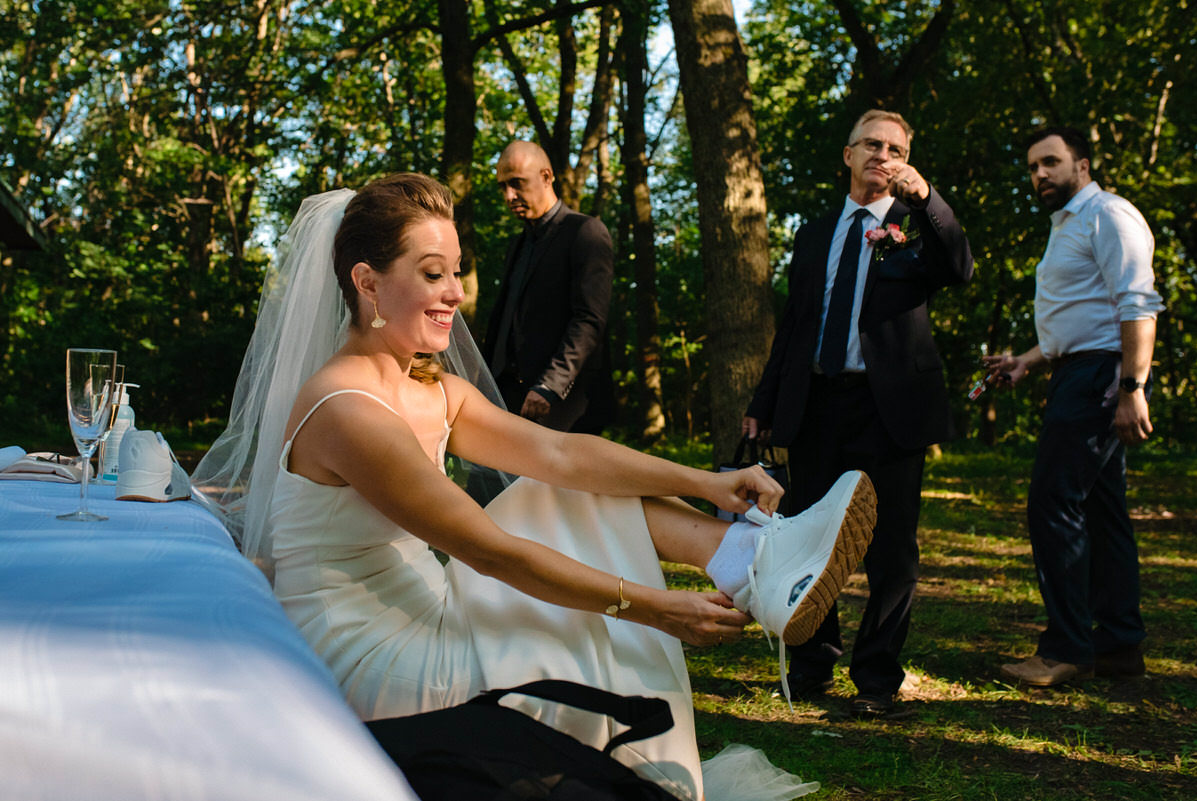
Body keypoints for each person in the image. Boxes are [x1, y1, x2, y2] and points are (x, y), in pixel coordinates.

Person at [192, 172, 877, 801]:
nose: (456, 294)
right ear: (367, 283)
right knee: (557, 557)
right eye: (432, 273)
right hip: (376, 658)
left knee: (561, 487)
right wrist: (655, 608)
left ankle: (752, 558)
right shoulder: (346, 410)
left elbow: (562, 454)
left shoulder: (428, 385)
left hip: (433, 603)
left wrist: (710, 479)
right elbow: (493, 551)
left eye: (456, 272)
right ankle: (755, 563)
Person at [743, 109, 974, 718]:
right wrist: (763, 405)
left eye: (895, 148)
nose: (883, 154)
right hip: (816, 403)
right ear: (848, 155)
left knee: (891, 548)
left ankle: (876, 678)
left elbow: (958, 265)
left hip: (889, 408)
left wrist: (925, 198)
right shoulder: (815, 233)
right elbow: (795, 325)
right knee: (809, 538)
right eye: (872, 144)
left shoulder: (915, 225)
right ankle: (814, 665)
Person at [985, 126, 1161, 688]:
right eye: (1034, 167)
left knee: (1052, 503)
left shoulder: (1108, 214)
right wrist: (1028, 361)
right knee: (1104, 513)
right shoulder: (1068, 224)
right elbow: (1080, 318)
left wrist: (1132, 388)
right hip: (1077, 371)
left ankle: (1065, 648)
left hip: (1100, 377)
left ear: (1081, 166)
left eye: (1051, 163)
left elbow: (1137, 304)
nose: (1040, 175)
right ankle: (1118, 648)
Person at [482, 141, 615, 433]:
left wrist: (550, 386)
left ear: (546, 176)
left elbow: (589, 320)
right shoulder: (517, 244)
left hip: (561, 407)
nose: (509, 195)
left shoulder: (586, 232)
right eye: (502, 186)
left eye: (517, 183)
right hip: (508, 400)